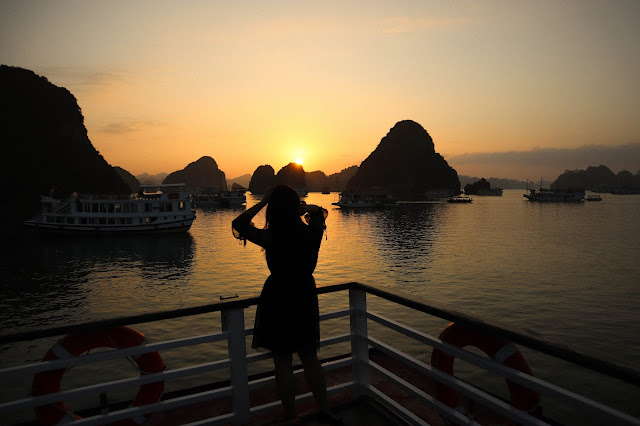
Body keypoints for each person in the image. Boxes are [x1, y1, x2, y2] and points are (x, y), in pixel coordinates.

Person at [232, 185, 341, 425]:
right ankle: (324, 408)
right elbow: (322, 212)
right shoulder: (311, 231)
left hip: (278, 296)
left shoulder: (272, 236)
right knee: (309, 356)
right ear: (294, 208)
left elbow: (239, 224)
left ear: (274, 209)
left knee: (282, 360)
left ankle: (291, 416)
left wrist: (263, 201)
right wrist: (304, 208)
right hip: (304, 295)